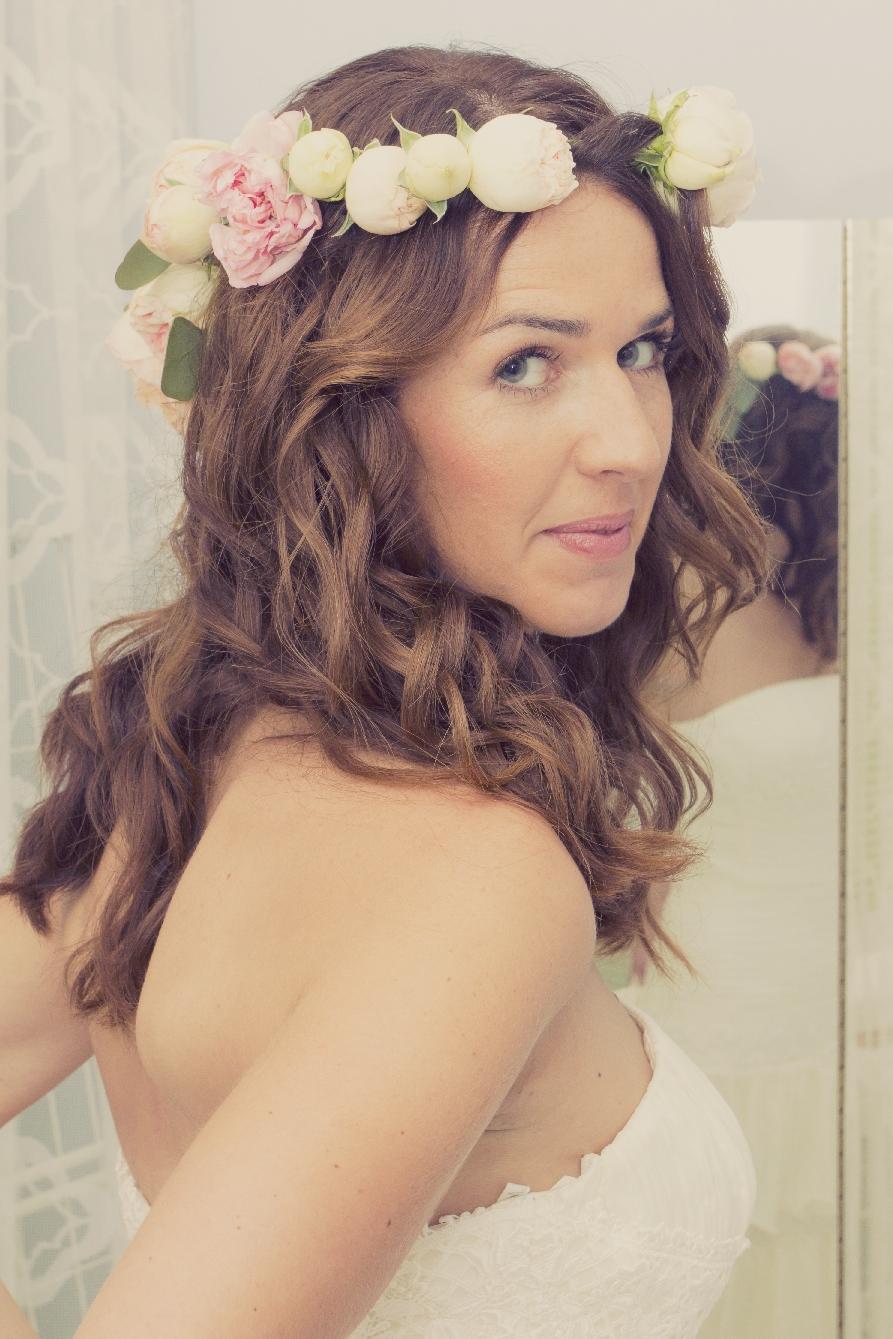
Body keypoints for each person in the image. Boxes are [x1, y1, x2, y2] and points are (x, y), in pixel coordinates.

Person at [1, 42, 769, 1338]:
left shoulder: (181, 762)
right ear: (340, 409)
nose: (630, 441)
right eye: (526, 364)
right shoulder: (475, 876)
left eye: (644, 350)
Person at [621, 323, 841, 1336]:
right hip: (750, 985)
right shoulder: (690, 594)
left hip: (772, 976)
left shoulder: (690, 599)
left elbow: (645, 815)